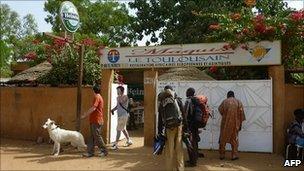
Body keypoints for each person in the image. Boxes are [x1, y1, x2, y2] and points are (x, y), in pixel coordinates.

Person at [157, 85, 186, 171]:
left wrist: (160, 131)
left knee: (169, 150)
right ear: (172, 91)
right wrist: (186, 128)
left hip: (169, 128)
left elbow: (160, 119)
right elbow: (183, 114)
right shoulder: (178, 100)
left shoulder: (162, 103)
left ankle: (169, 168)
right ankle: (180, 169)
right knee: (179, 149)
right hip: (179, 126)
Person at [81, 84, 108, 157]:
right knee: (92, 137)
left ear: (93, 90)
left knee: (97, 136)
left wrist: (85, 115)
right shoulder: (99, 97)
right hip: (95, 120)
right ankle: (90, 152)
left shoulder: (97, 97)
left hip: (96, 120)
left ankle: (104, 150)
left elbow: (93, 108)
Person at [218, 91, 245, 160]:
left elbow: (220, 110)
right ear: (233, 95)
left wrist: (226, 116)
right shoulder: (239, 102)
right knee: (234, 139)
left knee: (223, 139)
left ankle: (222, 155)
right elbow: (241, 114)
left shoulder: (224, 102)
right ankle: (234, 155)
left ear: (227, 95)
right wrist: (240, 125)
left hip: (225, 124)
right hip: (235, 124)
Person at [183, 87, 206, 167]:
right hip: (195, 125)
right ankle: (195, 158)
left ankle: (192, 162)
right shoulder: (196, 100)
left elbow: (185, 114)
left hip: (190, 125)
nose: (186, 92)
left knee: (190, 143)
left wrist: (184, 125)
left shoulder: (188, 101)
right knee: (195, 142)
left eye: (187, 91)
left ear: (189, 93)